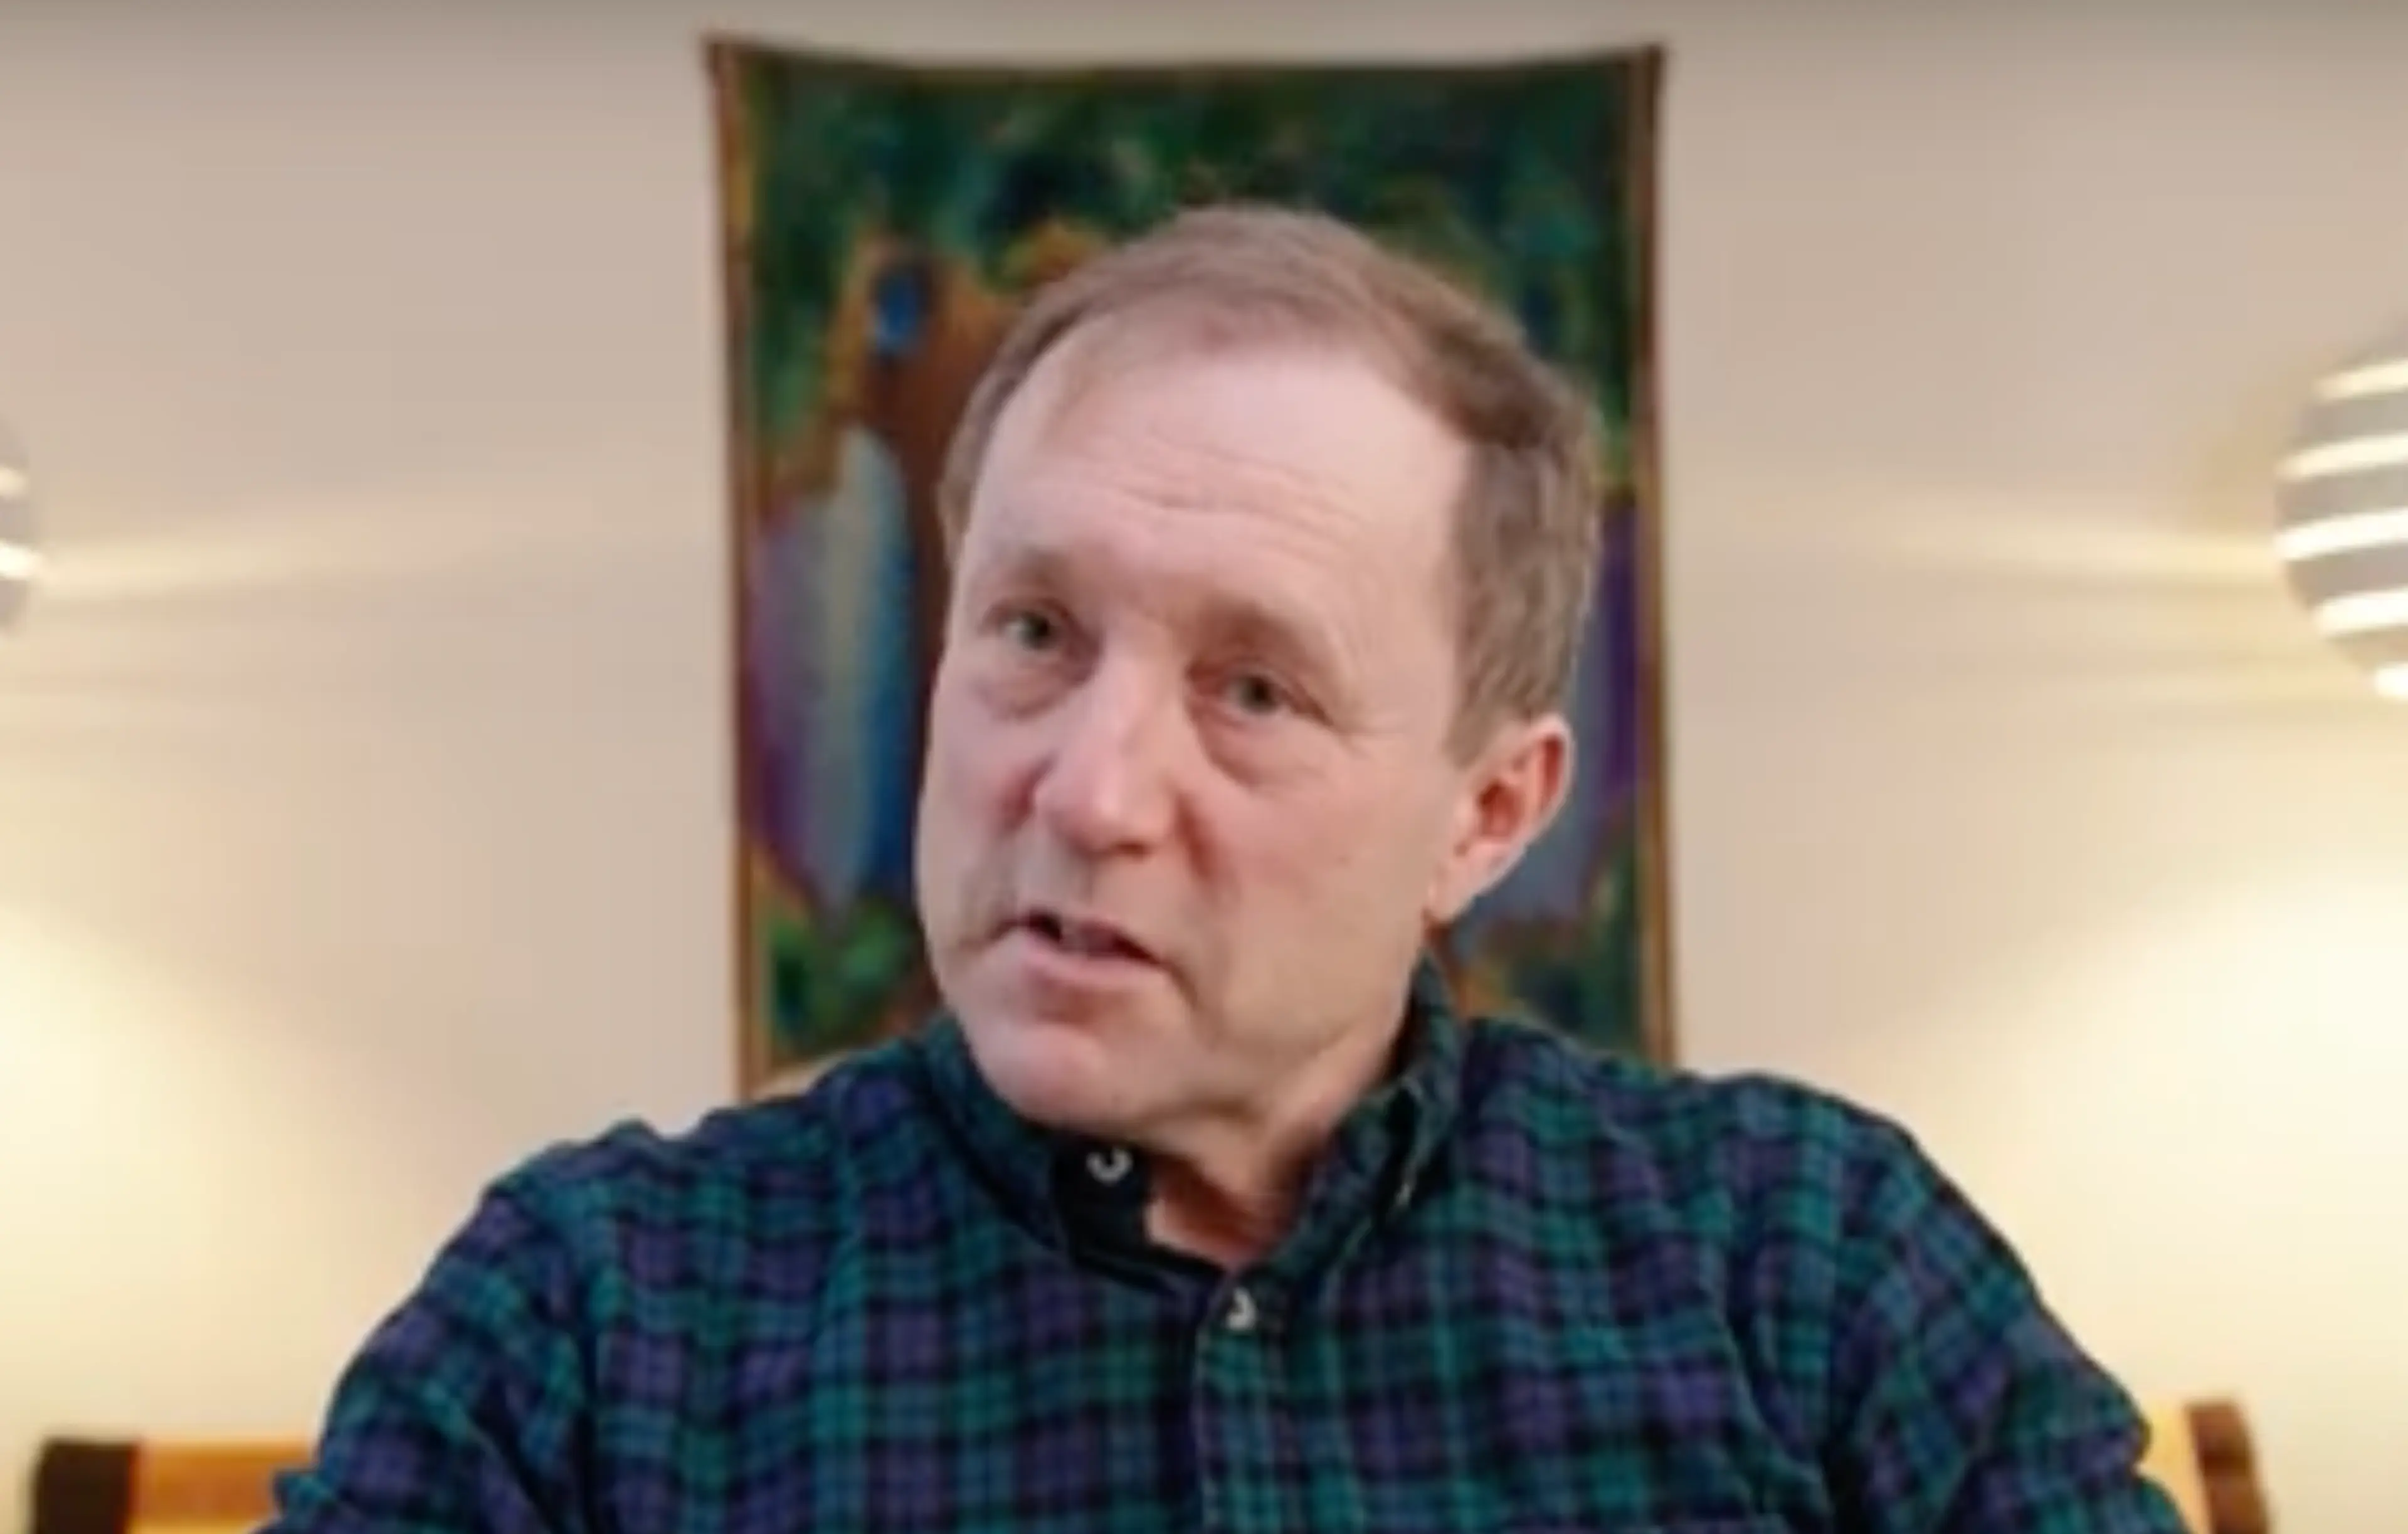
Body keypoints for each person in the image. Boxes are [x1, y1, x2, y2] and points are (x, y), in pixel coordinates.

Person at [265, 205, 2185, 1534]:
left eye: (1254, 688)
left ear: (1487, 813)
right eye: (1034, 630)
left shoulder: (1813, 1265)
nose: (1090, 789)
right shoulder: (590, 1317)